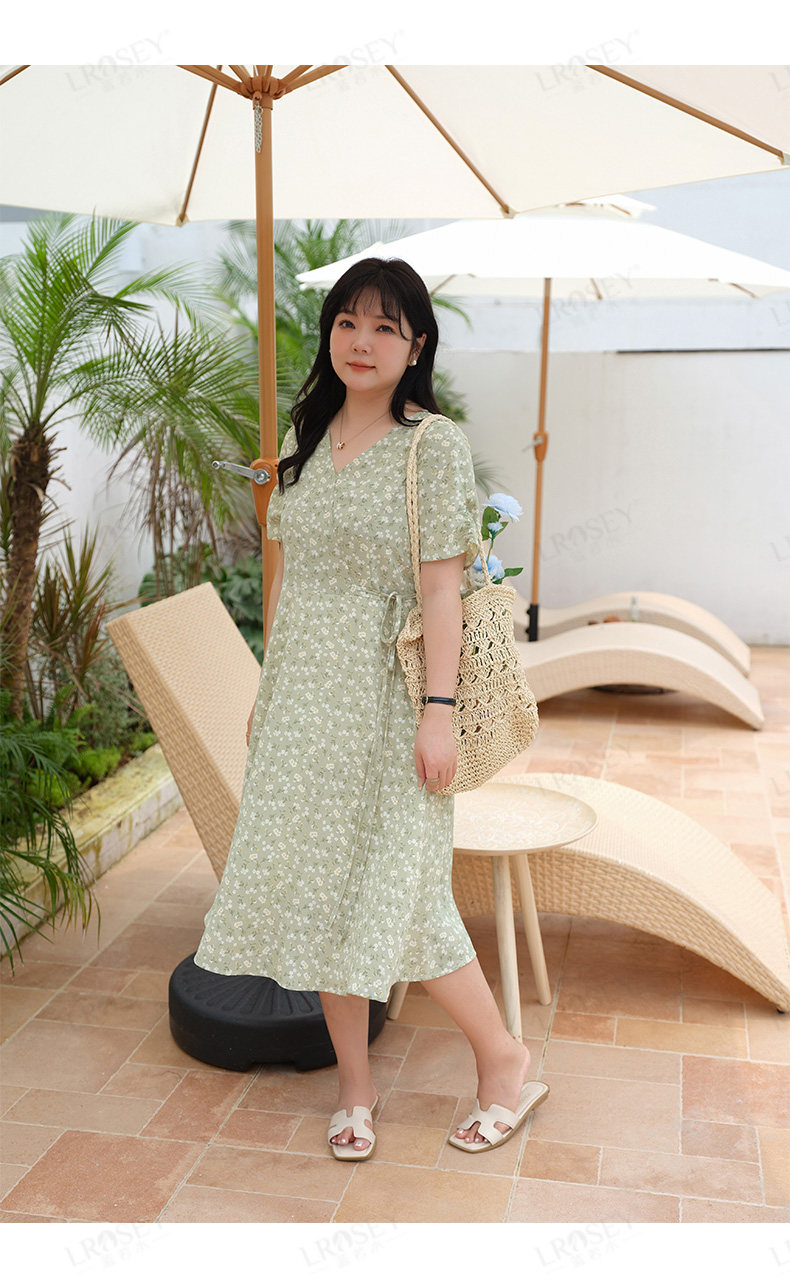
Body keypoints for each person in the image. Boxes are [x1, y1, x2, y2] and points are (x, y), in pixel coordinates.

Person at [193, 257, 541, 1158]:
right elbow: (289, 579)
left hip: (388, 706)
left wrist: (439, 710)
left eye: (386, 326)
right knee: (320, 896)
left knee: (407, 896)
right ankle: (355, 1085)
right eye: (348, 321)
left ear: (416, 345)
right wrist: (270, 689)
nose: (362, 340)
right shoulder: (305, 437)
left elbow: (441, 593)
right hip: (303, 706)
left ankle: (504, 1059)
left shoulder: (433, 445)